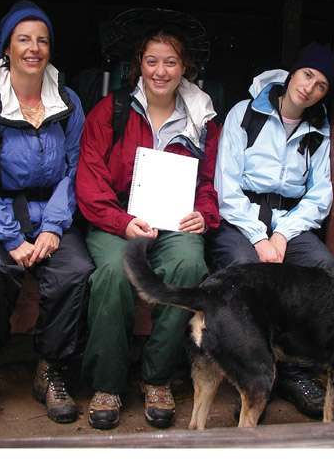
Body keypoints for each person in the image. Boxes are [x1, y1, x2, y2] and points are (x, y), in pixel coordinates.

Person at [0, 0, 93, 426]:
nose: (34, 48)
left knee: (75, 269)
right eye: (23, 39)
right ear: (7, 49)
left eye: (42, 40)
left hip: (51, 210)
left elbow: (76, 167)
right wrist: (10, 236)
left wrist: (52, 227)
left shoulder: (66, 101)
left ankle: (50, 371)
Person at [75, 27, 220, 430]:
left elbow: (209, 181)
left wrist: (203, 215)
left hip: (173, 221)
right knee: (111, 274)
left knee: (189, 266)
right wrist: (122, 223)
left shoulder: (201, 119)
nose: (161, 71)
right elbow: (89, 181)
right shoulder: (111, 110)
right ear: (139, 64)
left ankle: (156, 378)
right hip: (116, 220)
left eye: (171, 62)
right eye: (152, 61)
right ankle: (107, 384)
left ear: (184, 68)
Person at [208, 42, 334, 419]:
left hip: (289, 223)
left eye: (321, 86)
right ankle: (248, 374)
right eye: (307, 75)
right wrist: (258, 237)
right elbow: (227, 186)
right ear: (292, 73)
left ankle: (294, 371)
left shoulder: (318, 129)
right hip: (241, 220)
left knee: (320, 267)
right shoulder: (245, 114)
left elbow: (319, 196)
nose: (310, 88)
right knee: (241, 265)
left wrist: (282, 234)